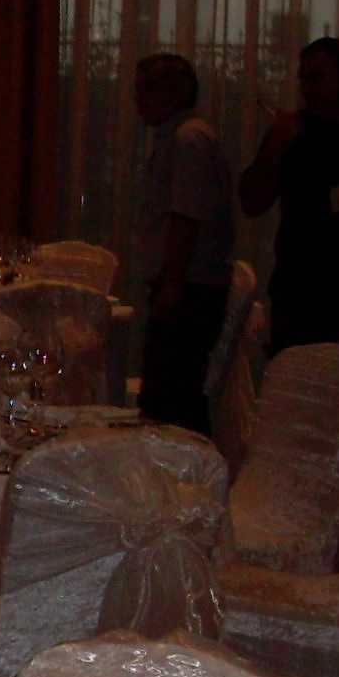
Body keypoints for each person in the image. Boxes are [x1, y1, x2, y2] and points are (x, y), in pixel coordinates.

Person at [240, 36, 339, 537]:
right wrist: (274, 145)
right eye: (302, 78)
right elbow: (252, 201)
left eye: (316, 77)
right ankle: (296, 528)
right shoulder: (294, 132)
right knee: (303, 418)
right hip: (304, 298)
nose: (305, 88)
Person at [131, 53, 235, 434]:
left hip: (189, 288)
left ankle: (184, 466)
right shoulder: (181, 137)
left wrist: (172, 285)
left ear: (174, 93)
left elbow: (185, 216)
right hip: (187, 284)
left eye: (146, 90)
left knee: (172, 400)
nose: (138, 100)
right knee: (173, 394)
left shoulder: (189, 140)